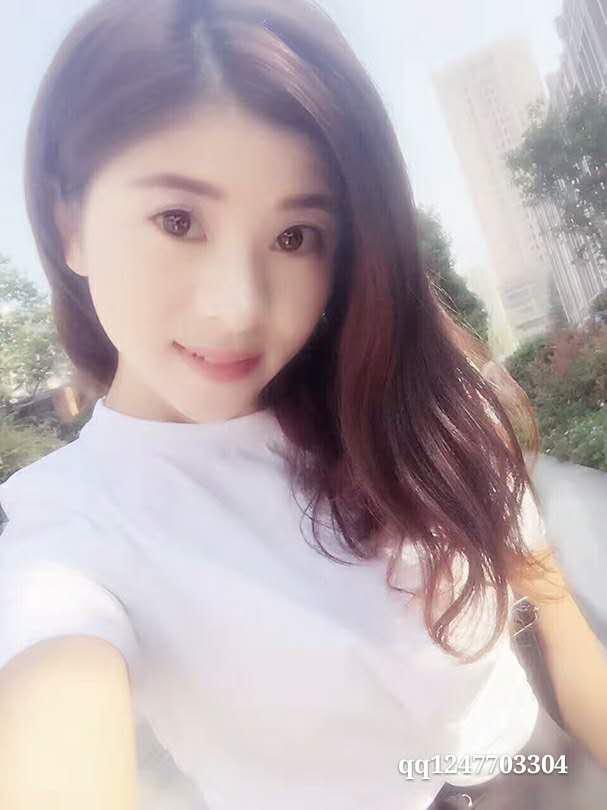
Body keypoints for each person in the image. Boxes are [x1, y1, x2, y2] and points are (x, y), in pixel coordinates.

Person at [0, 1, 606, 808]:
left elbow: (558, 628)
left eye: (295, 237)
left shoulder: (408, 402)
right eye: (178, 221)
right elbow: (54, 708)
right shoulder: (69, 528)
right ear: (69, 223)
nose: (238, 307)